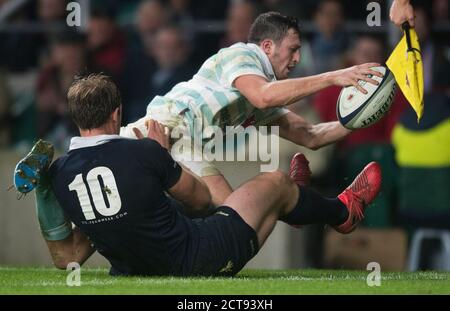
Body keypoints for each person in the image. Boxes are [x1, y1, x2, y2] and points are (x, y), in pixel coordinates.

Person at [18, 74, 382, 276]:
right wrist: (164, 157)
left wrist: (45, 190)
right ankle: (341, 212)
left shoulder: (62, 173)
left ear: (76, 118)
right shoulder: (142, 151)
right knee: (274, 183)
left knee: (114, 219)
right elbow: (200, 200)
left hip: (135, 266)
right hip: (198, 257)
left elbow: (66, 258)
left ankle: (296, 204)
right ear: (117, 113)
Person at [120, 11, 383, 205]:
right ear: (267, 47)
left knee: (236, 215)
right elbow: (264, 97)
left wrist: (362, 116)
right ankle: (306, 203)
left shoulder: (257, 97)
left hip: (185, 146)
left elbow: (311, 136)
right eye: (293, 50)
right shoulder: (242, 54)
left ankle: (320, 206)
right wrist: (332, 77)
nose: (298, 59)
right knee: (236, 214)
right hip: (161, 129)